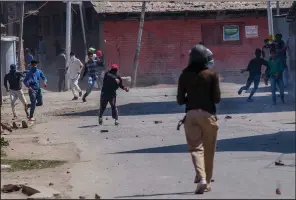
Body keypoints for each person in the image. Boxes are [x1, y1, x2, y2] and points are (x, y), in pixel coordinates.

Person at [177, 44, 221, 194]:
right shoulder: (212, 75)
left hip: (190, 116)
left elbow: (180, 100)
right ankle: (207, 182)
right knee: (209, 150)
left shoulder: (184, 75)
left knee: (196, 149)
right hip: (208, 116)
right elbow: (217, 99)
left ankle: (201, 178)